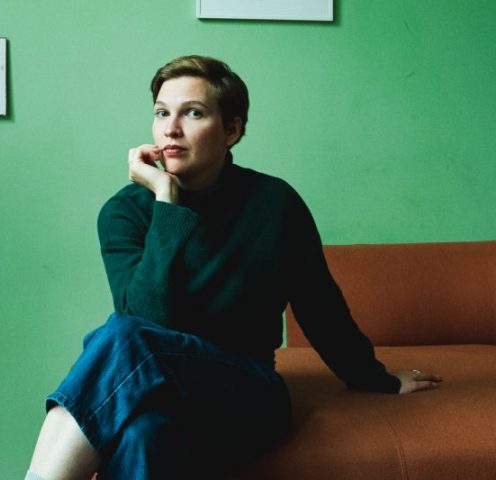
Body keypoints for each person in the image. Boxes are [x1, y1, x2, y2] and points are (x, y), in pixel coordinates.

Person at [26, 55, 442, 480]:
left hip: (246, 390)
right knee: (142, 430)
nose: (171, 129)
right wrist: (166, 202)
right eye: (162, 113)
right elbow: (149, 319)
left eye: (193, 113)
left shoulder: (274, 204)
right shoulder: (124, 212)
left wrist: (375, 377)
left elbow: (320, 306)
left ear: (232, 130)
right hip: (156, 391)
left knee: (123, 335)